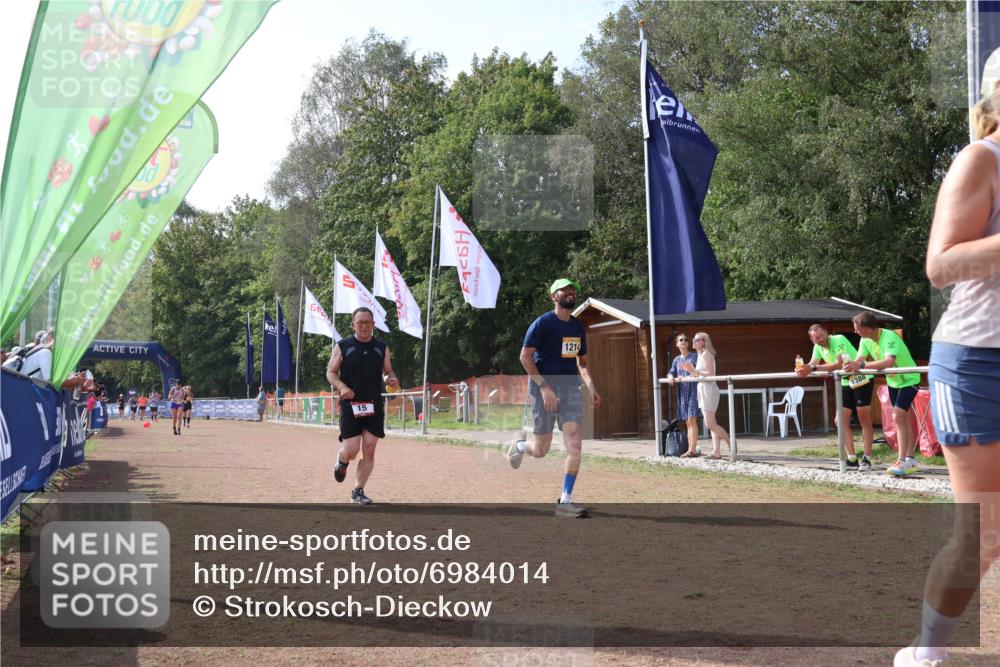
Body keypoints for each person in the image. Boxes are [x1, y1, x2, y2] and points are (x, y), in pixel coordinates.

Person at [892, 86, 1000, 667]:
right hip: (979, 361)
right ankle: (926, 651)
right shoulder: (981, 159)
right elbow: (941, 264)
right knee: (984, 534)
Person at [507, 279, 601, 518]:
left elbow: (582, 363)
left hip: (569, 388)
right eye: (565, 290)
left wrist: (591, 386)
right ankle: (519, 446)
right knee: (541, 450)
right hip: (544, 388)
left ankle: (565, 501)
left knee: (574, 443)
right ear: (554, 297)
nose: (571, 293)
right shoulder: (542, 324)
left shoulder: (577, 327)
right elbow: (524, 357)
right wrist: (544, 387)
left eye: (573, 290)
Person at [326, 307, 400, 505]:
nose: (364, 326)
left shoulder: (381, 347)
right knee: (351, 450)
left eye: (368, 322)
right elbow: (331, 373)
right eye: (360, 323)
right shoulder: (343, 346)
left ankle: (358, 491)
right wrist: (342, 387)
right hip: (351, 406)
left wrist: (390, 380)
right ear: (353, 325)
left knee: (369, 448)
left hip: (373, 405)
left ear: (373, 325)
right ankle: (342, 460)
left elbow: (387, 372)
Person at [844, 312, 921, 477]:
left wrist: (860, 365)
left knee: (898, 416)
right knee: (902, 418)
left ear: (868, 329)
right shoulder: (865, 340)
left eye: (858, 329)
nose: (856, 332)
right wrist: (851, 365)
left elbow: (888, 362)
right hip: (894, 382)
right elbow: (859, 359)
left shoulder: (889, 337)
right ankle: (910, 459)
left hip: (909, 378)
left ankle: (901, 460)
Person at [796, 324, 875, 471]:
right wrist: (802, 367)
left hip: (861, 378)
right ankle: (852, 458)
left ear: (826, 332)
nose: (820, 340)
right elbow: (812, 363)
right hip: (846, 381)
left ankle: (867, 458)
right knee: (840, 420)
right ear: (812, 340)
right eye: (816, 338)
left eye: (821, 336)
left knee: (863, 418)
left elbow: (838, 363)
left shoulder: (839, 339)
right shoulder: (817, 347)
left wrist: (812, 368)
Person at [683, 332, 730, 459]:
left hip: (708, 389)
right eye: (693, 339)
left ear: (703, 342)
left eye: (697, 339)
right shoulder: (700, 355)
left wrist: (694, 371)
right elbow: (698, 374)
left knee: (710, 424)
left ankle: (732, 444)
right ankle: (716, 452)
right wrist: (687, 374)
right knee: (712, 423)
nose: (693, 341)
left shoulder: (706, 354)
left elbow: (710, 374)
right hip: (703, 389)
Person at [666, 333, 701, 457]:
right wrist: (671, 377)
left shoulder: (695, 356)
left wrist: (685, 376)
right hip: (682, 394)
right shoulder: (676, 359)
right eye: (681, 340)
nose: (684, 341)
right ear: (677, 344)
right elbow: (671, 371)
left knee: (692, 419)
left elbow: (698, 372)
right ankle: (691, 448)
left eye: (686, 339)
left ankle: (692, 450)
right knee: (687, 421)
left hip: (693, 391)